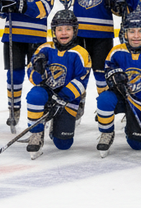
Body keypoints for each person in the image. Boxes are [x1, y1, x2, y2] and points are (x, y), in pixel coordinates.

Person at [0, 0, 55, 132]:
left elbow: (45, 9)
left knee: (39, 75)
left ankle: (43, 106)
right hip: (13, 37)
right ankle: (14, 109)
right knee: (14, 75)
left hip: (37, 39)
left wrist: (21, 5)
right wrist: (2, 7)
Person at [56, 0, 122, 102]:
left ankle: (104, 104)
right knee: (77, 72)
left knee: (102, 74)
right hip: (79, 35)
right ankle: (77, 102)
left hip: (103, 36)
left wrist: (115, 3)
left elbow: (119, 10)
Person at [96, 11, 141, 157]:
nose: (136, 36)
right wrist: (114, 76)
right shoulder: (116, 52)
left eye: (140, 31)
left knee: (137, 144)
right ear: (125, 33)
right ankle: (106, 132)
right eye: (132, 31)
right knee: (104, 99)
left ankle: (131, 126)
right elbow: (108, 71)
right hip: (121, 96)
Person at [25, 10, 92, 159]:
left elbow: (81, 81)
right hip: (47, 94)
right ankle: (36, 133)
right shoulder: (44, 49)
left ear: (75, 31)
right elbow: (31, 75)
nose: (64, 33)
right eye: (59, 29)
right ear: (54, 31)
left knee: (63, 144)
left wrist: (62, 98)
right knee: (35, 95)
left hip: (68, 98)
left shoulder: (81, 53)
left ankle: (58, 124)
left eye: (68, 29)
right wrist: (38, 70)